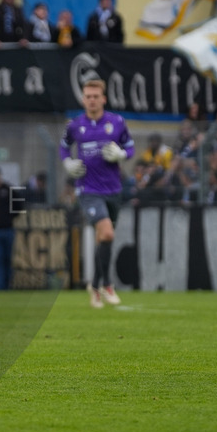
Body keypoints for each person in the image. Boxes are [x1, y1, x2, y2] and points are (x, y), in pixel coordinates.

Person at [60, 79, 134, 308]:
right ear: (83, 99)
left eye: (95, 96)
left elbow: (130, 147)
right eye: (88, 96)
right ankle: (108, 284)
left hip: (113, 190)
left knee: (104, 238)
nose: (92, 100)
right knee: (108, 233)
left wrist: (122, 154)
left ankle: (94, 285)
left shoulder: (117, 122)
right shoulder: (75, 125)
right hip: (88, 190)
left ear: (103, 99)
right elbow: (64, 145)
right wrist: (67, 163)